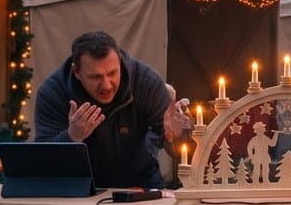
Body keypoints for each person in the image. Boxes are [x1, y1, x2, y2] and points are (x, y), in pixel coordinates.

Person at [33, 31, 191, 190]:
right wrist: (71, 137)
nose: (107, 85)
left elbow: (181, 149)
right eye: (95, 77)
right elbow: (43, 160)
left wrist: (177, 136)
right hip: (79, 189)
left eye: (112, 73)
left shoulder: (145, 82)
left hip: (140, 184)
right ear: (77, 72)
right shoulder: (53, 92)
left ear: (120, 62)